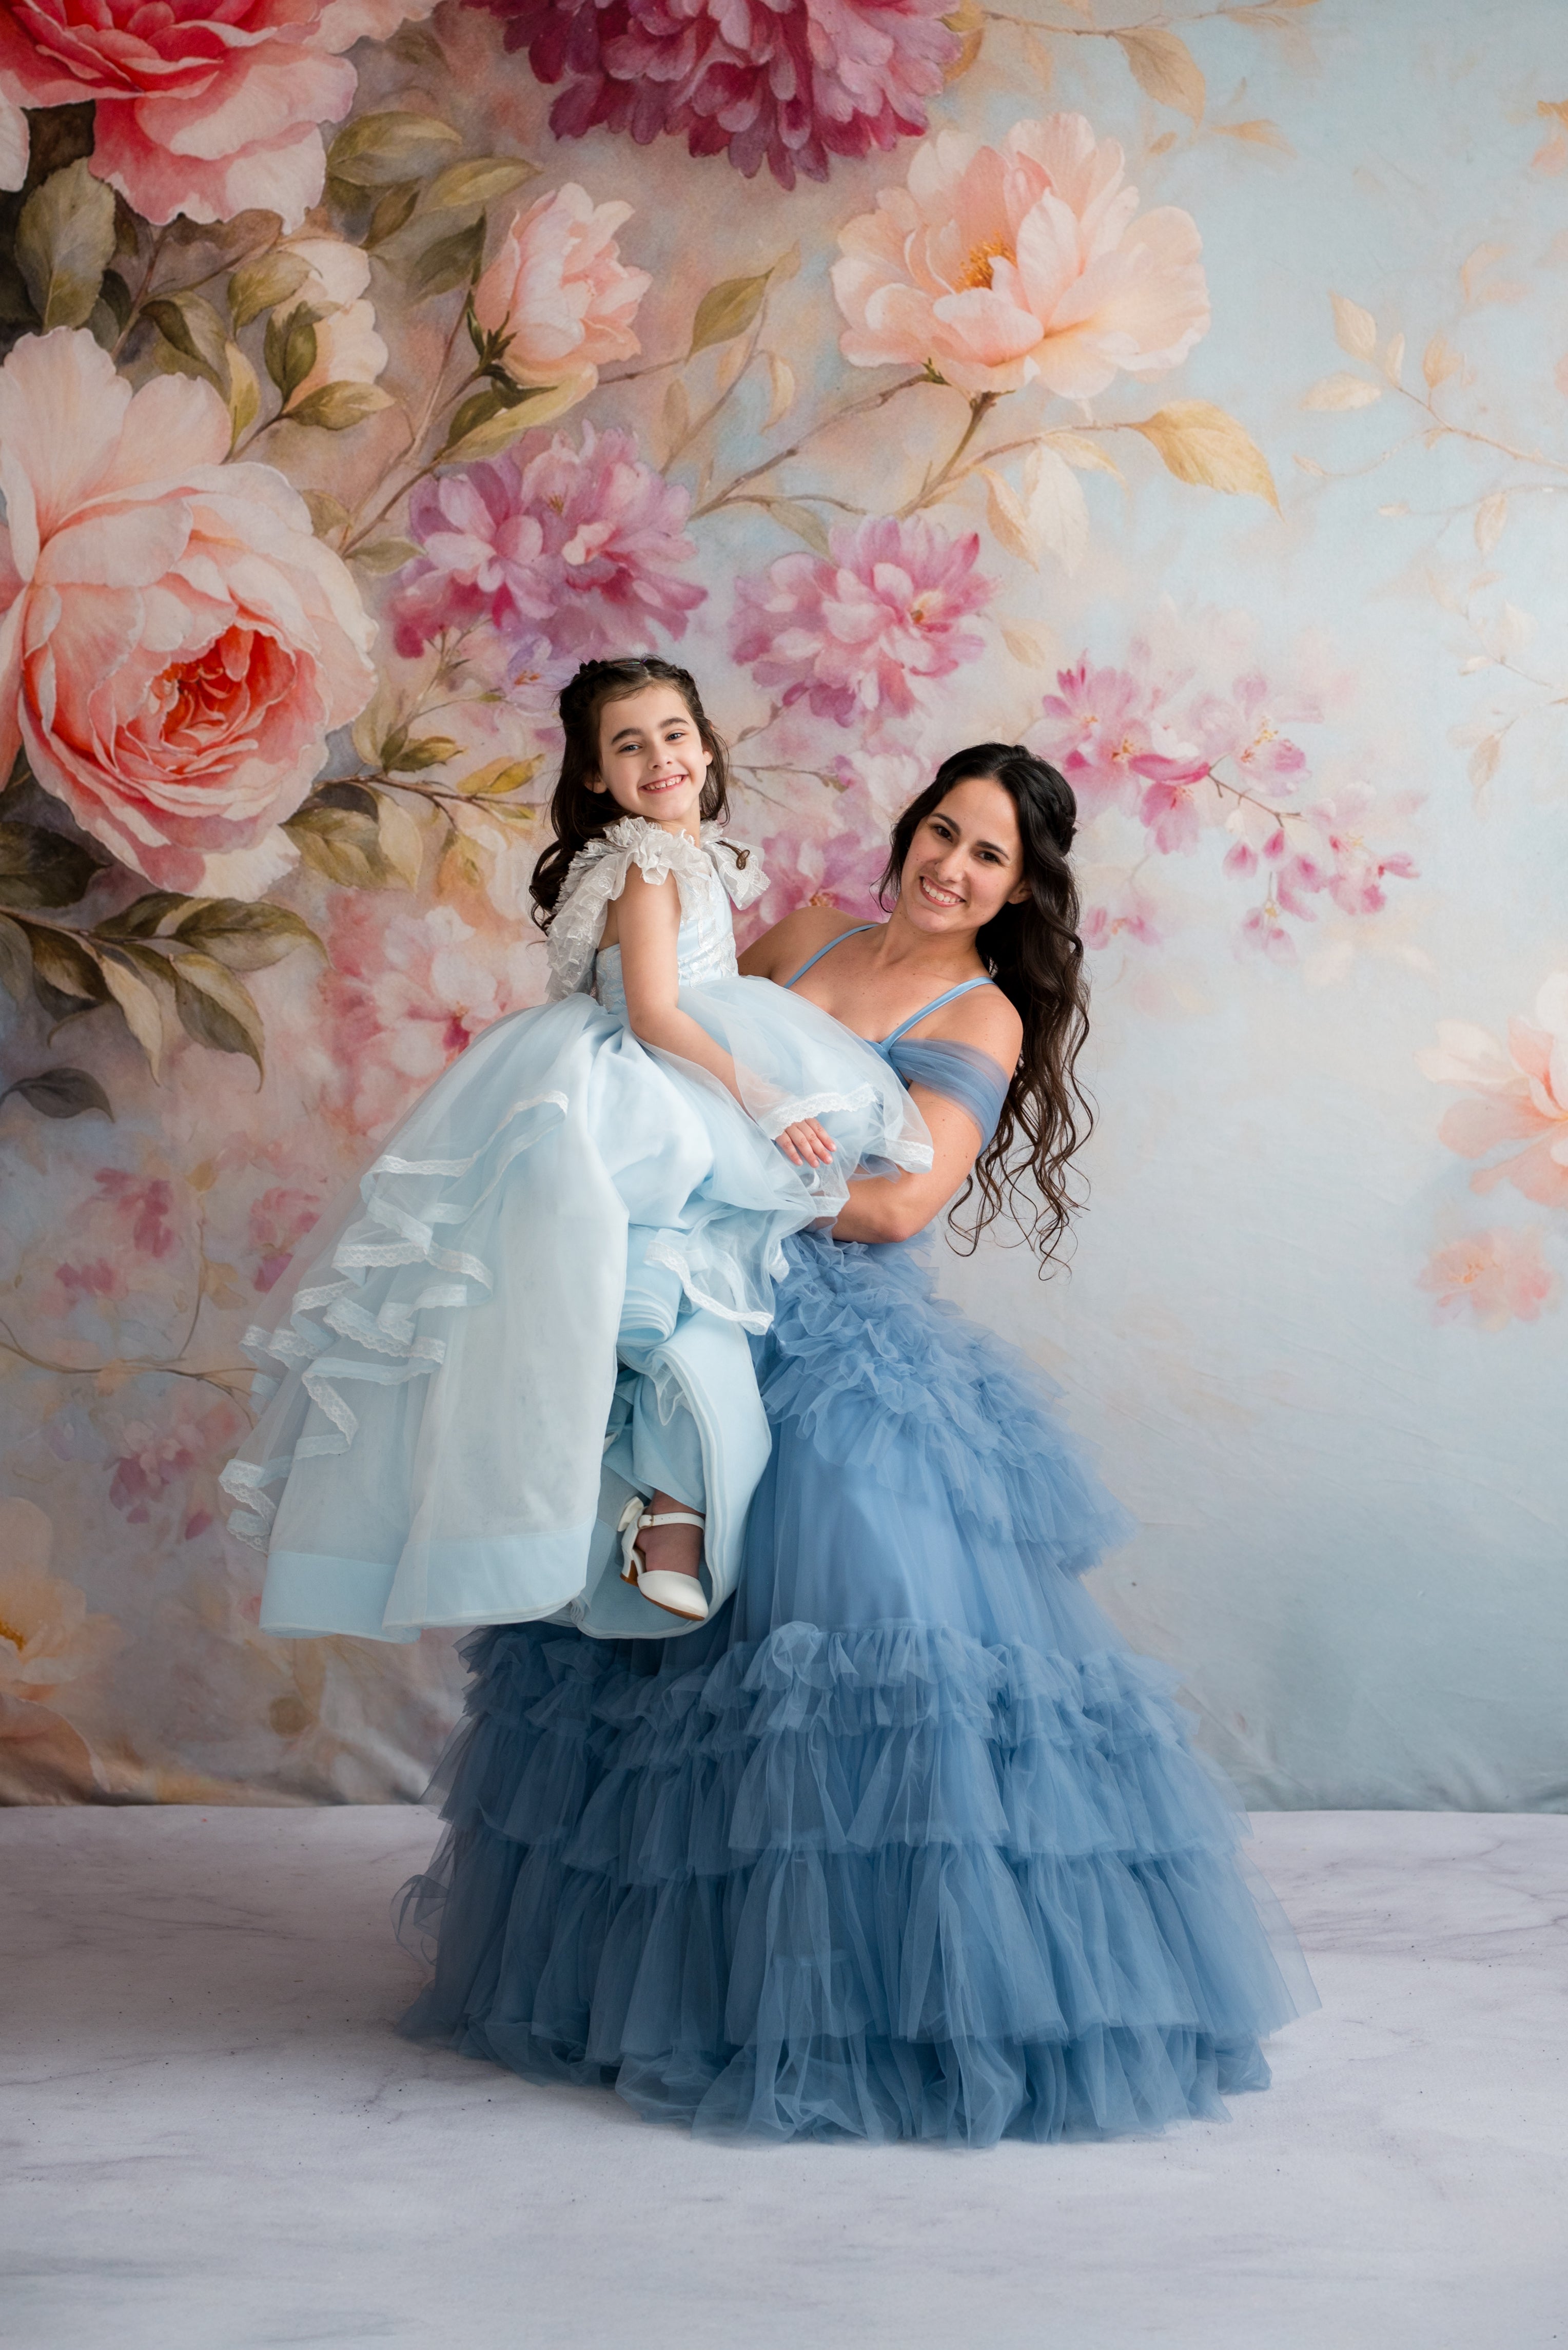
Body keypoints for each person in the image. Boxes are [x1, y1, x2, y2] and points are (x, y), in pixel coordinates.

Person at [396, 743, 1317, 2146]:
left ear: (1020, 890)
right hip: (689, 1304)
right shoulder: (812, 929)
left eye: (988, 855)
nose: (950, 864)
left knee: (850, 1653)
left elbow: (895, 1205)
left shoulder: (983, 1011)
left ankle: (887, 2009)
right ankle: (656, 1991)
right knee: (648, 1633)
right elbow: (666, 1044)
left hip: (833, 1342)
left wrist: (711, 1164)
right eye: (943, 828)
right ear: (911, 826)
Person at [219, 656, 929, 1643]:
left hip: (656, 1072)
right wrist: (762, 1095)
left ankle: (653, 1505)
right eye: (629, 745)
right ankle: (644, 1507)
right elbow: (654, 1012)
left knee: (663, 1292)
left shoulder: (696, 855)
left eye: (676, 734)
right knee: (662, 1281)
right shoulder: (649, 859)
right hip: (641, 1077)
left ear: (708, 746)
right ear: (596, 775)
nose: (661, 758)